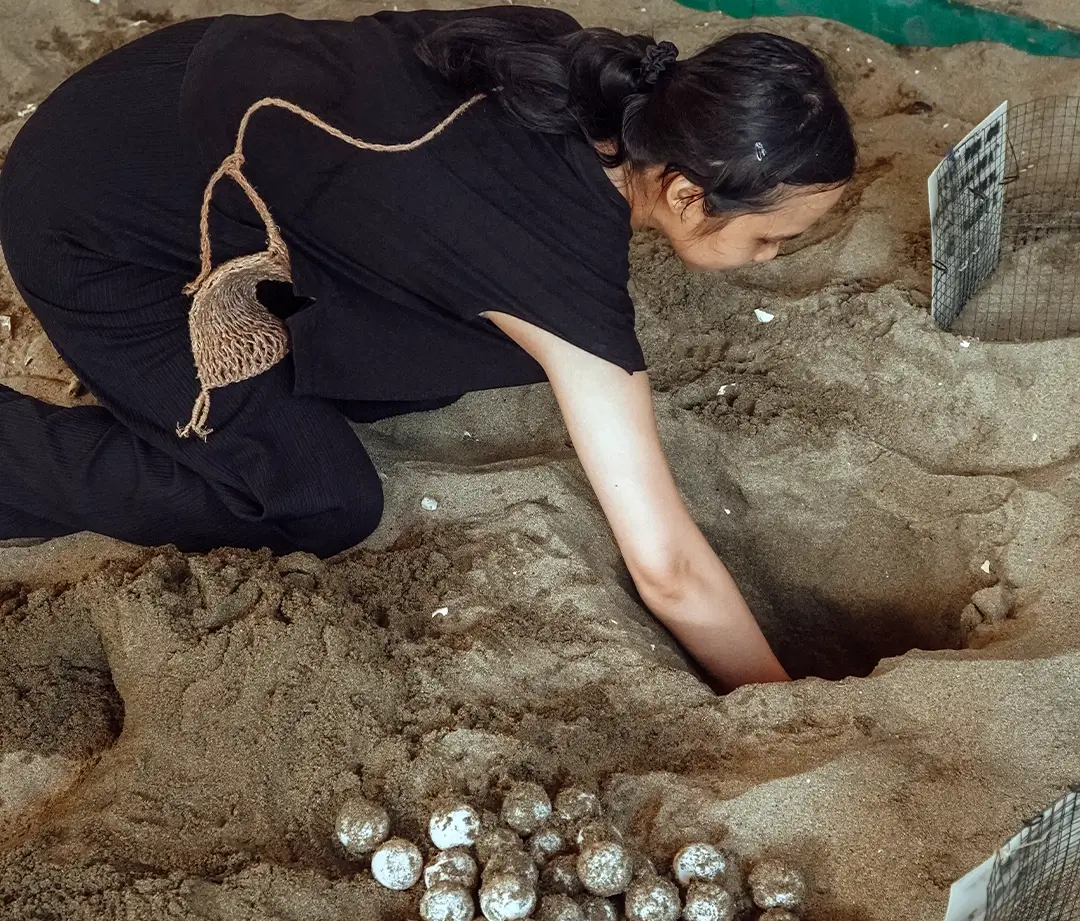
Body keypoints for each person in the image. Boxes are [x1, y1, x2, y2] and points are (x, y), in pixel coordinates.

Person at [0, 7, 855, 690]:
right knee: (321, 501)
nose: (774, 256)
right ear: (686, 192)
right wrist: (777, 701)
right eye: (771, 237)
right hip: (103, 233)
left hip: (150, 107)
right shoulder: (547, 266)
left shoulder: (580, 66)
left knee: (472, 351)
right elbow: (666, 569)